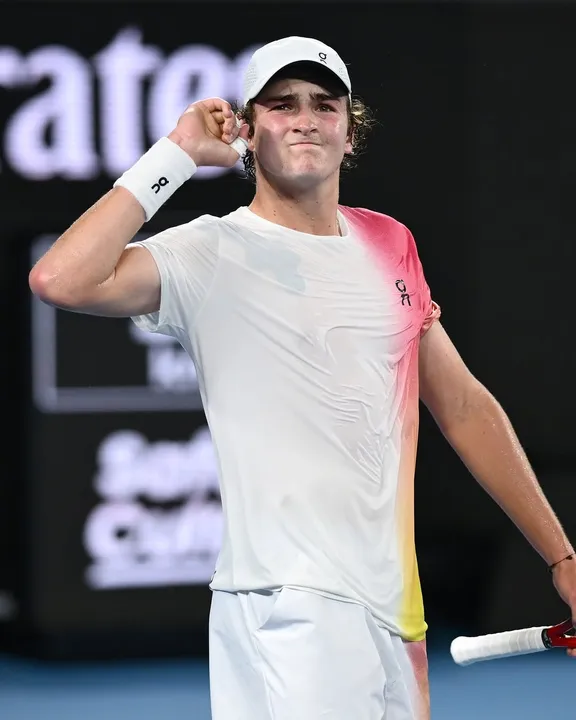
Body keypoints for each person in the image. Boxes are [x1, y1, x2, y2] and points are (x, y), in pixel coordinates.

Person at [29, 36, 576, 720]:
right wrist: (175, 154)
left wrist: (561, 557)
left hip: (394, 612)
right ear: (249, 133)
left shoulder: (390, 242)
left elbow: (463, 405)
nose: (305, 118)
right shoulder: (211, 250)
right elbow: (59, 278)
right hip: (290, 605)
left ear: (351, 132)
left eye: (324, 104)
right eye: (281, 105)